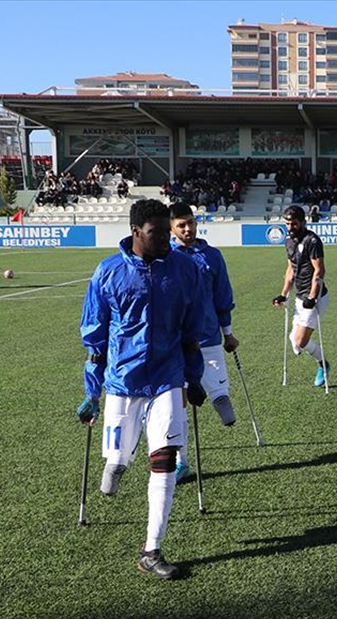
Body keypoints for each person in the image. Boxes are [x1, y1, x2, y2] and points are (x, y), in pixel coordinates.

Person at [78, 199, 205, 580]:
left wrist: (194, 377)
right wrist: (92, 391)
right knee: (117, 461)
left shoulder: (185, 269)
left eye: (167, 231)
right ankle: (116, 462)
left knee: (165, 460)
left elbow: (193, 330)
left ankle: (152, 548)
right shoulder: (109, 272)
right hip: (123, 379)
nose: (166, 238)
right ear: (136, 233)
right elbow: (95, 338)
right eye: (157, 233)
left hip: (168, 375)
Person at [170, 202, 240, 465]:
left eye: (190, 222)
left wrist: (229, 333)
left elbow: (223, 296)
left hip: (209, 336)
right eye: (181, 225)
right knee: (178, 403)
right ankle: (182, 461)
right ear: (171, 228)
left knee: (221, 397)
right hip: (175, 341)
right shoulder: (166, 256)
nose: (187, 229)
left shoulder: (212, 255)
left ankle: (219, 395)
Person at [273, 205, 329, 387]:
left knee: (299, 340)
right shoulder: (288, 241)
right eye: (287, 224)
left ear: (303, 222)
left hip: (315, 296)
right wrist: (283, 294)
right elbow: (290, 268)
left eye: (294, 224)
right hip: (299, 296)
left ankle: (323, 365)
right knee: (295, 343)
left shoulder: (312, 240)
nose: (290, 228)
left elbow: (319, 270)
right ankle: (317, 358)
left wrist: (312, 297)